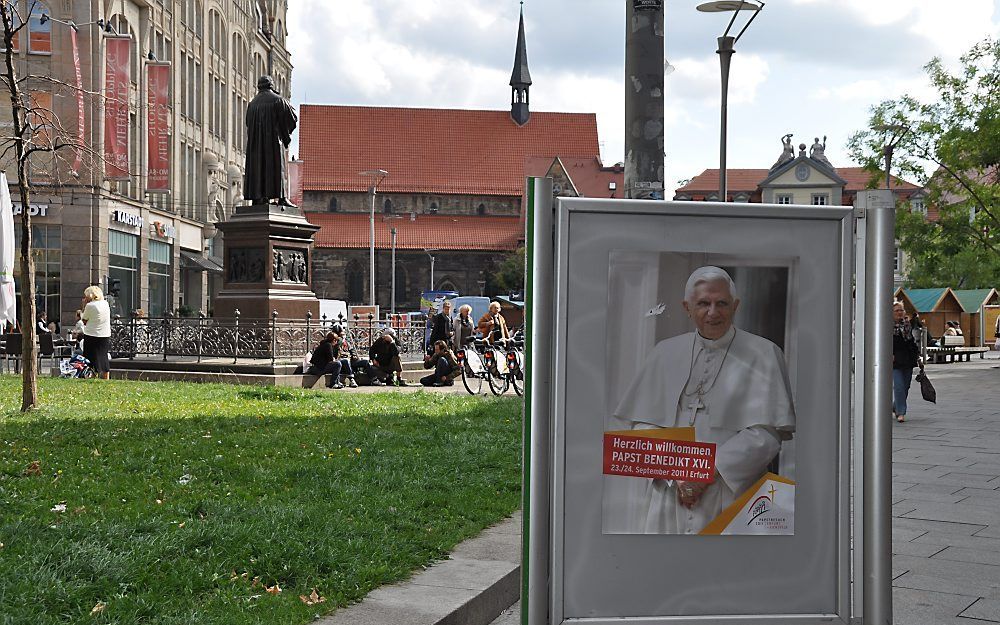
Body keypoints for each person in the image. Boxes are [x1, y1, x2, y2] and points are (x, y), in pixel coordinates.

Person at [612, 266, 796, 535]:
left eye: (721, 303)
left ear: (735, 306)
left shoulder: (764, 354)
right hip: (671, 492)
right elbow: (642, 426)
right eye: (703, 303)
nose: (713, 312)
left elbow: (766, 434)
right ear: (687, 307)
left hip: (731, 491)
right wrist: (679, 474)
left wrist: (705, 472)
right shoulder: (664, 353)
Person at [244, 75, 298, 207]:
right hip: (273, 142)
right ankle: (281, 198)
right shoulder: (278, 100)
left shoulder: (252, 104)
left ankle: (259, 198)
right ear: (271, 86)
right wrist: (285, 136)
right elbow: (292, 119)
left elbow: (247, 124)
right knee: (277, 167)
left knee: (258, 167)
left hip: (255, 146)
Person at [892, 301, 920, 423]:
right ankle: (901, 412)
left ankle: (895, 406)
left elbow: (912, 342)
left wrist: (918, 357)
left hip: (908, 359)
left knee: (906, 386)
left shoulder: (907, 325)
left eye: (901, 310)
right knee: (899, 386)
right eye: (897, 310)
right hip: (894, 360)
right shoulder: (885, 325)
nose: (899, 312)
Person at [80, 285, 112, 380]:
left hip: (92, 334)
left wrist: (84, 306)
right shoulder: (105, 304)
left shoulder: (90, 306)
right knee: (103, 356)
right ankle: (106, 376)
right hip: (104, 334)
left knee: (90, 357)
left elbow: (84, 320)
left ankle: (92, 375)